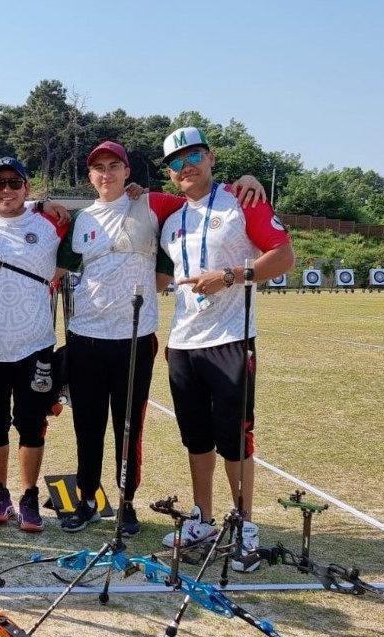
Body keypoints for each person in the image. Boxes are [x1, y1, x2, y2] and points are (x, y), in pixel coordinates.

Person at [55, 140, 266, 536]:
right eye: (98, 168)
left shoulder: (155, 205)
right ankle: (86, 498)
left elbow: (200, 197)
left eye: (114, 166)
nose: (106, 174)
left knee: (129, 426)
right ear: (89, 176)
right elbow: (58, 265)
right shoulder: (80, 219)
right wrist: (44, 208)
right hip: (85, 336)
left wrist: (247, 182)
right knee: (87, 423)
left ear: (127, 172)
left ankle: (126, 503)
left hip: (133, 338)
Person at [156, 127, 294, 571]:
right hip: (183, 344)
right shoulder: (172, 219)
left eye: (193, 155)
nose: (185, 166)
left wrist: (231, 276)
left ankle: (244, 526)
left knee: (234, 442)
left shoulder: (242, 201)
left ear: (211, 156)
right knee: (195, 438)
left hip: (230, 341)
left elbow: (284, 256)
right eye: (175, 162)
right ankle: (203, 518)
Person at [0, 157, 68, 532]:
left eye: (14, 182)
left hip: (35, 346)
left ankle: (28, 496)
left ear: (27, 187)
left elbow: (76, 252)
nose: (6, 190)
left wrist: (45, 204)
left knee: (32, 425)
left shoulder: (50, 225)